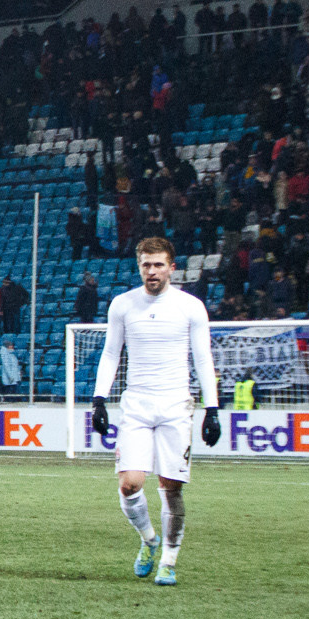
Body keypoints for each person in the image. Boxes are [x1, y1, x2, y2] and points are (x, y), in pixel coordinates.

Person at [91, 236, 219, 587]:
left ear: (171, 267)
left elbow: (203, 359)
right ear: (139, 266)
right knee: (130, 484)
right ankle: (149, 539)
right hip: (137, 404)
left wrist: (213, 408)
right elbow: (110, 353)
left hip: (177, 405)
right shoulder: (122, 304)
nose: (152, 271)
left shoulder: (190, 307)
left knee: (171, 487)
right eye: (146, 265)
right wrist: (99, 399)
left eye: (159, 264)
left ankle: (170, 561)